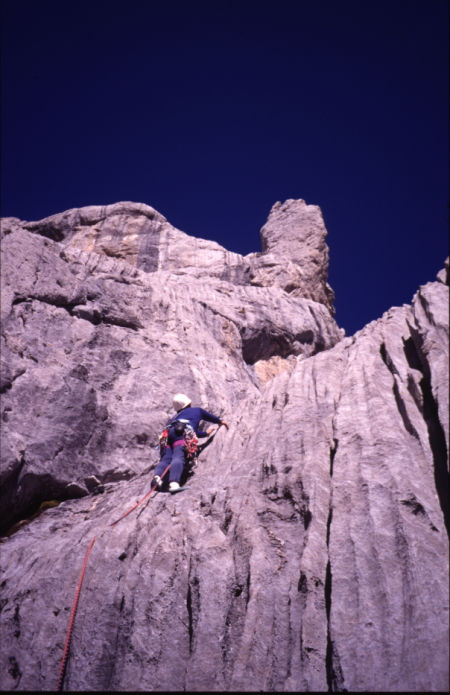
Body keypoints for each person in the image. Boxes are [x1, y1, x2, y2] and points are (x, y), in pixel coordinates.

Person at [152, 393, 229, 493]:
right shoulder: (197, 411)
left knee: (166, 459)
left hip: (167, 435)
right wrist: (220, 421)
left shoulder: (174, 418)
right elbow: (208, 419)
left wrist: (205, 433)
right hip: (182, 433)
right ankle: (174, 484)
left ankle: (157, 478)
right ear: (188, 403)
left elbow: (193, 432)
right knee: (178, 456)